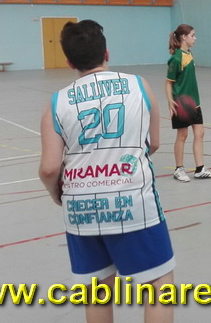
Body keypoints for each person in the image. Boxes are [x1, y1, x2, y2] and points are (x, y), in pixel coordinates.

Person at [38, 20, 174, 323]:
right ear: (106, 53)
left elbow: (49, 168)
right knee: (158, 286)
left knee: (97, 290)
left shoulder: (57, 102)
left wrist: (57, 195)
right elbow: (153, 144)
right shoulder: (139, 86)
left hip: (80, 210)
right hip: (134, 205)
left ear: (69, 62)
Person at [166, 24, 211, 182]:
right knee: (182, 135)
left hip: (195, 102)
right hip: (182, 104)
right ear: (184, 37)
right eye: (193, 35)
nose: (195, 38)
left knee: (199, 133)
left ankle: (200, 169)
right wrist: (170, 101)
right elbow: (168, 82)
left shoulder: (189, 54)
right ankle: (179, 169)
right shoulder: (176, 59)